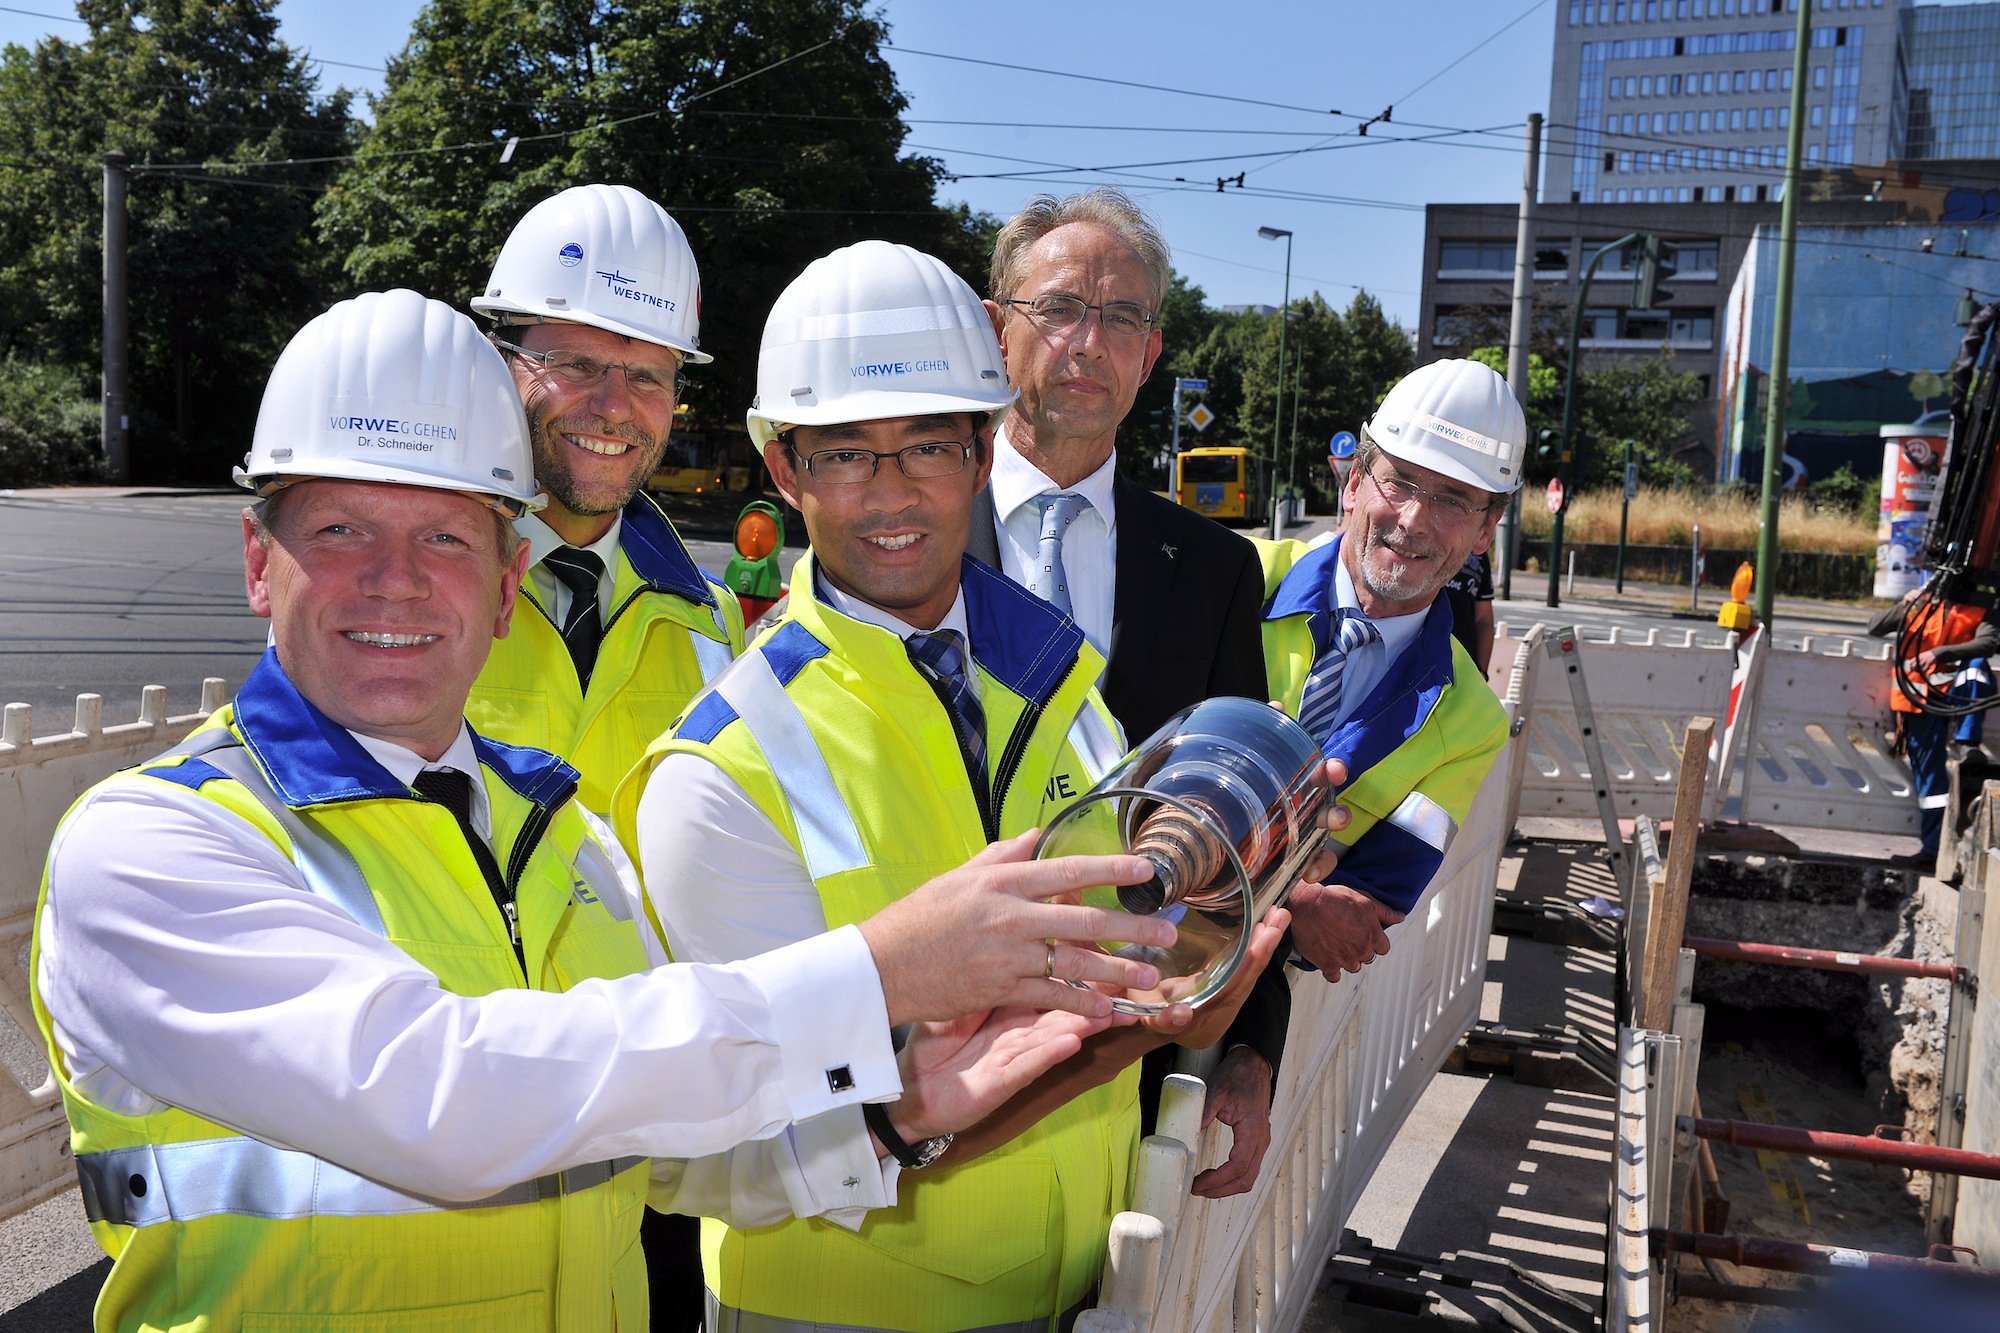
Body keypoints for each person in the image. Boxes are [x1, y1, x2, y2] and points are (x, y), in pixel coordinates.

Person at [30, 289, 1180, 1331]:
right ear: (255, 561)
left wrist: (886, 1120)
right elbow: (449, 1095)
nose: (394, 579)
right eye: (339, 531)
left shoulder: (562, 839)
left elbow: (667, 1155)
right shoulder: (154, 845)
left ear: (503, 583)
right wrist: (877, 976)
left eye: (444, 535)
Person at [615, 241, 1295, 1333]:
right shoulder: (721, 769)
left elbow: (1133, 935)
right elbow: (733, 1135)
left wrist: (1202, 948)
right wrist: (1141, 1028)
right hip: (843, 1307)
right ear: (784, 472)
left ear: (983, 452)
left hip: (1082, 1271)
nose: (892, 491)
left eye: (927, 443)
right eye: (844, 454)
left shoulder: (1063, 681)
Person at [968, 188, 1285, 1199]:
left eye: (1121, 319)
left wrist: (1249, 1048)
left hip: (1127, 1059)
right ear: (994, 330)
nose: (1086, 344)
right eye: (1058, 308)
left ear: (1150, 356)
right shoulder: (904, 533)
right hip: (924, 1034)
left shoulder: (1212, 569)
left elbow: (1247, 835)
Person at [465, 183, 743, 817]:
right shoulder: (410, 586)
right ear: (501, 361)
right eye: (578, 364)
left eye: (647, 375)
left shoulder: (712, 621)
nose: (614, 408)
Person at [1260, 358, 1520, 976]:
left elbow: (1361, 915)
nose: (1413, 520)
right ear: (1354, 483)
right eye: (1398, 482)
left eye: (1453, 500)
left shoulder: (1473, 721)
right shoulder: (1235, 576)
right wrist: (1296, 898)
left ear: (1487, 530)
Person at [1867, 586, 1999, 867]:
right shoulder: (1920, 606)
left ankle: (1968, 742)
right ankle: (1932, 850)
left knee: (1976, 667)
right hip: (1917, 699)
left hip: (1953, 695)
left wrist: (1940, 653)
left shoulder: (1980, 608)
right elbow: (1875, 626)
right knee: (1931, 782)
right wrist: (1904, 607)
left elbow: (1987, 644)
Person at [1442, 548, 1497, 675]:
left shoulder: (1479, 554)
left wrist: (1481, 673)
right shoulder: (1424, 540)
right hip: (1419, 660)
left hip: (1464, 666)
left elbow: (1484, 621)